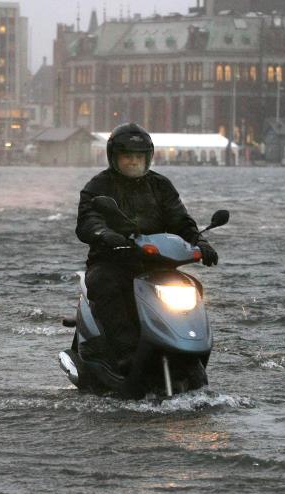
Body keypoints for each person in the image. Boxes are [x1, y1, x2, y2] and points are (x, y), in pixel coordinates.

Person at [75, 122, 219, 373]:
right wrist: (104, 234)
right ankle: (124, 353)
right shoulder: (98, 186)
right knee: (106, 283)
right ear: (114, 158)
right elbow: (88, 220)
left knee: (192, 286)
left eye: (139, 157)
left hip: (157, 262)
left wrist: (200, 242)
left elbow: (180, 220)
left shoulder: (161, 185)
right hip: (113, 260)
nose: (133, 162)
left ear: (148, 158)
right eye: (127, 156)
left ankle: (192, 346)